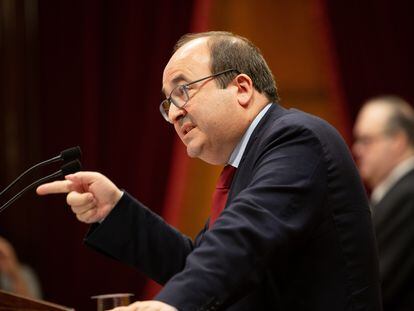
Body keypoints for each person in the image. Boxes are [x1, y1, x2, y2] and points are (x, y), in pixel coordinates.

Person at [36, 31, 381, 311]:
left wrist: (169, 305)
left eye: (182, 91)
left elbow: (241, 239)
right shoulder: (249, 162)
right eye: (167, 102)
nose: (173, 114)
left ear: (242, 89)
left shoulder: (297, 139)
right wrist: (115, 210)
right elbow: (199, 262)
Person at [353, 95, 414, 311]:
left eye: (366, 140)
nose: (357, 150)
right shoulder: (394, 192)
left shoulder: (408, 194)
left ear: (398, 140)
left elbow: (376, 281)